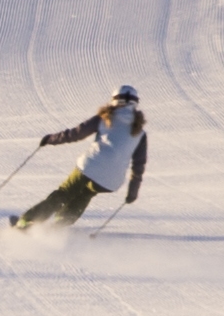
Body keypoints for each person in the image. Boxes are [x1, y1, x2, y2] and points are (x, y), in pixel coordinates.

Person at [10, 85, 146, 231]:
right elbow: (139, 166)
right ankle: (58, 225)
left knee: (64, 193)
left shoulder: (104, 118)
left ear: (114, 100)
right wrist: (132, 193)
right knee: (86, 193)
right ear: (135, 103)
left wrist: (51, 139)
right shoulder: (140, 132)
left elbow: (76, 134)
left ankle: (26, 221)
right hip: (112, 180)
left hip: (90, 166)